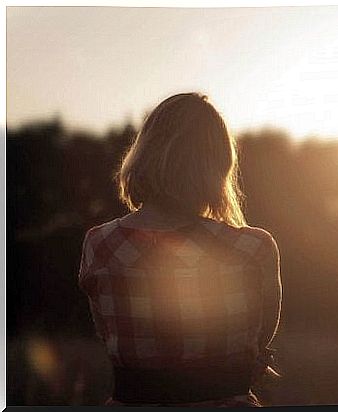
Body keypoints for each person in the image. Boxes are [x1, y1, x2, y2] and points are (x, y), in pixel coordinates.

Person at [77, 92, 282, 407]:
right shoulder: (252, 248)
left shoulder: (100, 244)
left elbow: (110, 338)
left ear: (144, 153)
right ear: (219, 164)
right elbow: (257, 342)